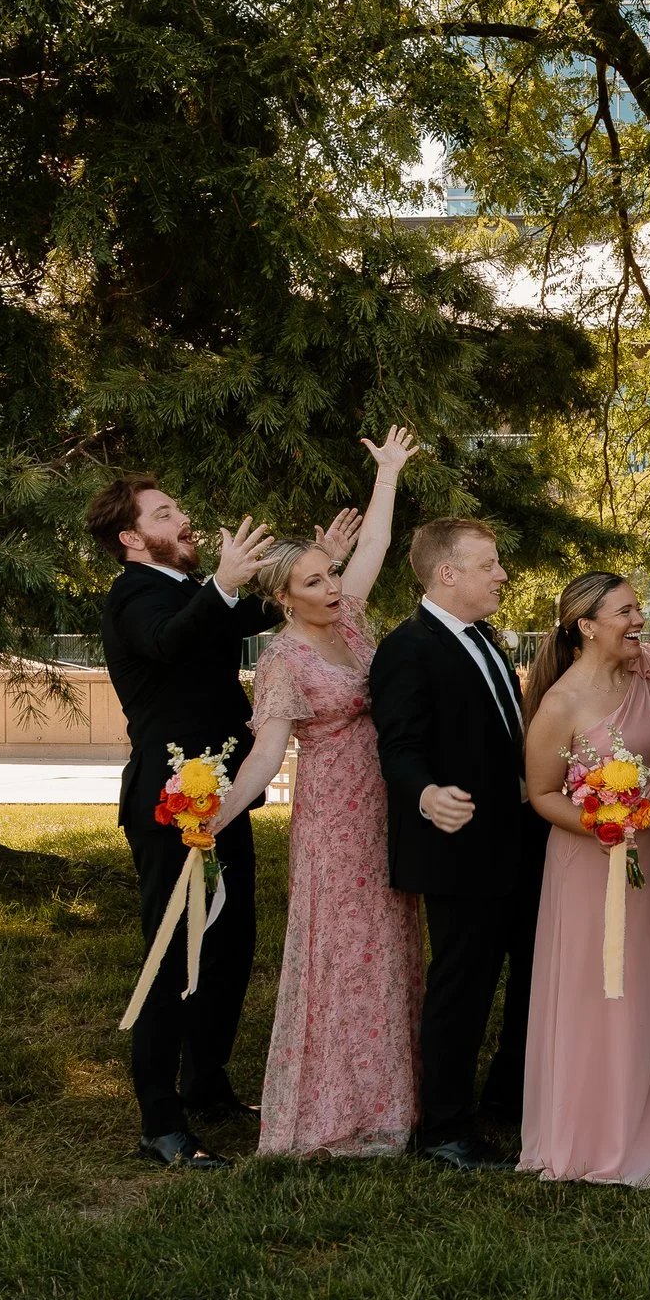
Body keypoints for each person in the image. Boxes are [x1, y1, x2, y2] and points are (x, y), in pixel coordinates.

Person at [208, 428, 423, 1158]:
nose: (331, 587)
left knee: (389, 945)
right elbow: (267, 755)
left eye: (330, 574)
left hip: (385, 803)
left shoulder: (351, 619)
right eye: (313, 583)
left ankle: (393, 1098)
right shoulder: (283, 660)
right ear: (282, 598)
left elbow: (377, 545)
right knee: (342, 952)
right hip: (333, 818)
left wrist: (387, 474)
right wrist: (216, 817)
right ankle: (333, 1108)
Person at [91, 477, 290, 1168]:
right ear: (131, 537)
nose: (183, 518)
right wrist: (224, 585)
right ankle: (160, 1120)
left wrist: (315, 560)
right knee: (172, 955)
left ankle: (206, 1083)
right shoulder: (133, 596)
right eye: (164, 513)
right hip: (170, 807)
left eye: (178, 508)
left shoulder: (189, 591)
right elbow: (171, 642)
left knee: (230, 948)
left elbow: (247, 614)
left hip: (222, 801)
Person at [369, 517, 546, 1170]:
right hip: (460, 846)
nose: (502, 574)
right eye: (488, 564)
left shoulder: (486, 639)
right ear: (447, 573)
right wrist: (425, 794)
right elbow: (398, 746)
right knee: (463, 986)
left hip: (519, 837)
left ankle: (508, 1093)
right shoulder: (406, 648)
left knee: (533, 969)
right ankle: (444, 1127)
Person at [518, 573, 650, 1187]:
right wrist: (602, 823)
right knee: (597, 986)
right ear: (587, 626)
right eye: (624, 611)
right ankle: (593, 1133)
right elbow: (542, 793)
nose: (638, 620)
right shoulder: (560, 704)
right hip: (588, 865)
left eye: (637, 608)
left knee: (647, 980)